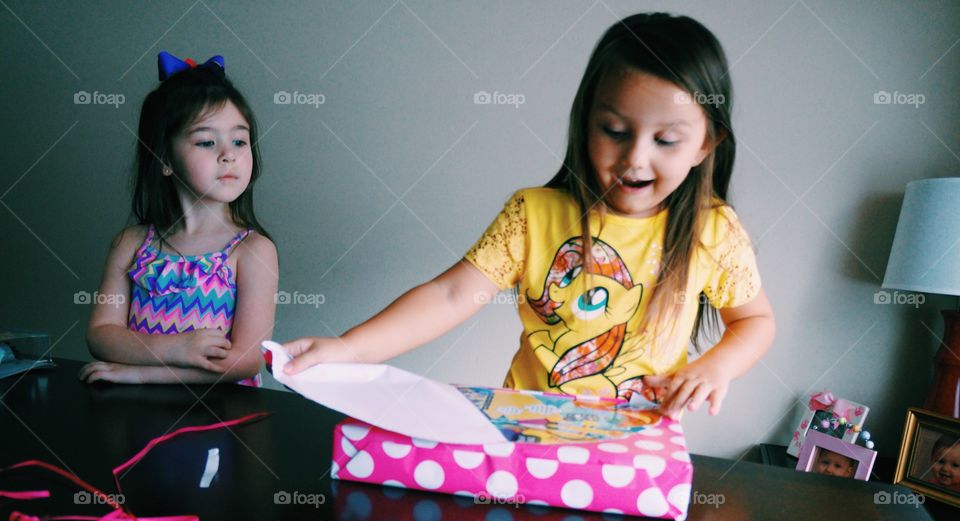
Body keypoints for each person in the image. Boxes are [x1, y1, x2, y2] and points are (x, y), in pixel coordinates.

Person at [283, 13, 775, 417]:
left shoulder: (714, 230)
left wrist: (716, 368)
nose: (635, 159)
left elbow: (754, 321)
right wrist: (349, 350)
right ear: (585, 124)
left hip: (635, 445)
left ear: (706, 144)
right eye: (614, 130)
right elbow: (452, 294)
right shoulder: (532, 214)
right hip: (525, 427)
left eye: (666, 140)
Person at [80, 52, 278, 385]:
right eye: (206, 141)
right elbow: (100, 334)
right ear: (164, 159)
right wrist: (175, 347)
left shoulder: (254, 251)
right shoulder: (130, 243)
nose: (229, 153)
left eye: (239, 140)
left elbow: (246, 361)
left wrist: (144, 375)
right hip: (137, 410)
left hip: (220, 416)